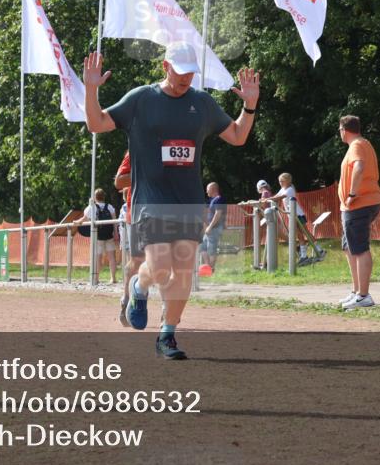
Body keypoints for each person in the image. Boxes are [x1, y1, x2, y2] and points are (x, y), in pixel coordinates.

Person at [84, 41, 259, 360]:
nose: (185, 79)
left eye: (191, 73)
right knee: (161, 267)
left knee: (183, 272)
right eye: (180, 72)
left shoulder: (201, 103)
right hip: (151, 201)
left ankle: (168, 335)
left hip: (189, 202)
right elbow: (96, 124)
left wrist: (249, 107)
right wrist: (91, 91)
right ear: (165, 67)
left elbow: (236, 136)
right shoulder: (141, 99)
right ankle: (139, 287)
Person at [336, 115, 380, 309]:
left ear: (344, 130)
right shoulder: (363, 143)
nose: (339, 133)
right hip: (361, 204)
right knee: (350, 247)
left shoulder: (356, 145)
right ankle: (357, 292)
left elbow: (359, 167)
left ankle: (364, 295)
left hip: (359, 204)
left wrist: (352, 194)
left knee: (360, 248)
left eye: (339, 130)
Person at [115, 151, 145, 327]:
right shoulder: (135, 147)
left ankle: (168, 313)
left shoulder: (174, 141)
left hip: (166, 209)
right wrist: (147, 171)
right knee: (138, 259)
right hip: (138, 212)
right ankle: (127, 300)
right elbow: (119, 181)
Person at [73, 188, 118, 285]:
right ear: (104, 196)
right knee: (112, 257)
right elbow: (115, 222)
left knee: (98, 258)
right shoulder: (110, 207)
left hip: (97, 236)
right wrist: (116, 234)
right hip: (109, 235)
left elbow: (83, 219)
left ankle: (96, 278)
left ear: (94, 197)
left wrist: (76, 222)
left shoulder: (91, 207)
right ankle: (113, 278)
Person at [269, 172, 310, 261]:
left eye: (282, 181)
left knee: (305, 233)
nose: (280, 183)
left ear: (287, 181)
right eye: (279, 181)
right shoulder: (283, 189)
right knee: (300, 235)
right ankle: (303, 255)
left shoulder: (290, 189)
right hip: (292, 215)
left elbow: (279, 198)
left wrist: (267, 199)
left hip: (298, 215)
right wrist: (266, 199)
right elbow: (276, 196)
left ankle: (318, 249)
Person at [200, 182, 226, 271]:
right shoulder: (212, 200)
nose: (206, 192)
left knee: (211, 249)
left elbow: (218, 214)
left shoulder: (219, 199)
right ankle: (208, 267)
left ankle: (211, 269)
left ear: (213, 189)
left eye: (207, 189)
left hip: (214, 228)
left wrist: (210, 227)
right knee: (202, 247)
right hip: (210, 228)